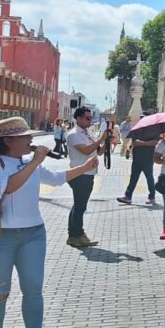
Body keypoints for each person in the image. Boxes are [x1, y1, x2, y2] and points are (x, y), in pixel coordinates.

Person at [0, 116, 98, 328]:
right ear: (8, 141)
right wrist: (35, 161)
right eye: (26, 137)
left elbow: (56, 178)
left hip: (33, 233)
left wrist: (84, 167)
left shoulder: (28, 161)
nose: (31, 141)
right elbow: (9, 187)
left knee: (33, 290)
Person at [64, 106, 107, 249]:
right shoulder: (73, 134)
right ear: (78, 118)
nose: (90, 120)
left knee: (79, 206)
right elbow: (86, 150)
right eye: (88, 118)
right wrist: (101, 138)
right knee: (80, 206)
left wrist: (106, 142)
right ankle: (77, 235)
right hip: (79, 174)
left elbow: (98, 151)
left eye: (91, 117)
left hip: (88, 173)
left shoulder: (88, 133)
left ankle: (74, 235)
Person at [116, 125, 158, 206]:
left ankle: (152, 197)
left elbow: (155, 142)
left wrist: (142, 143)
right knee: (133, 178)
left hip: (148, 159)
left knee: (149, 178)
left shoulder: (153, 131)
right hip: (136, 160)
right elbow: (134, 142)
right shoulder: (136, 130)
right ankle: (128, 197)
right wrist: (147, 143)